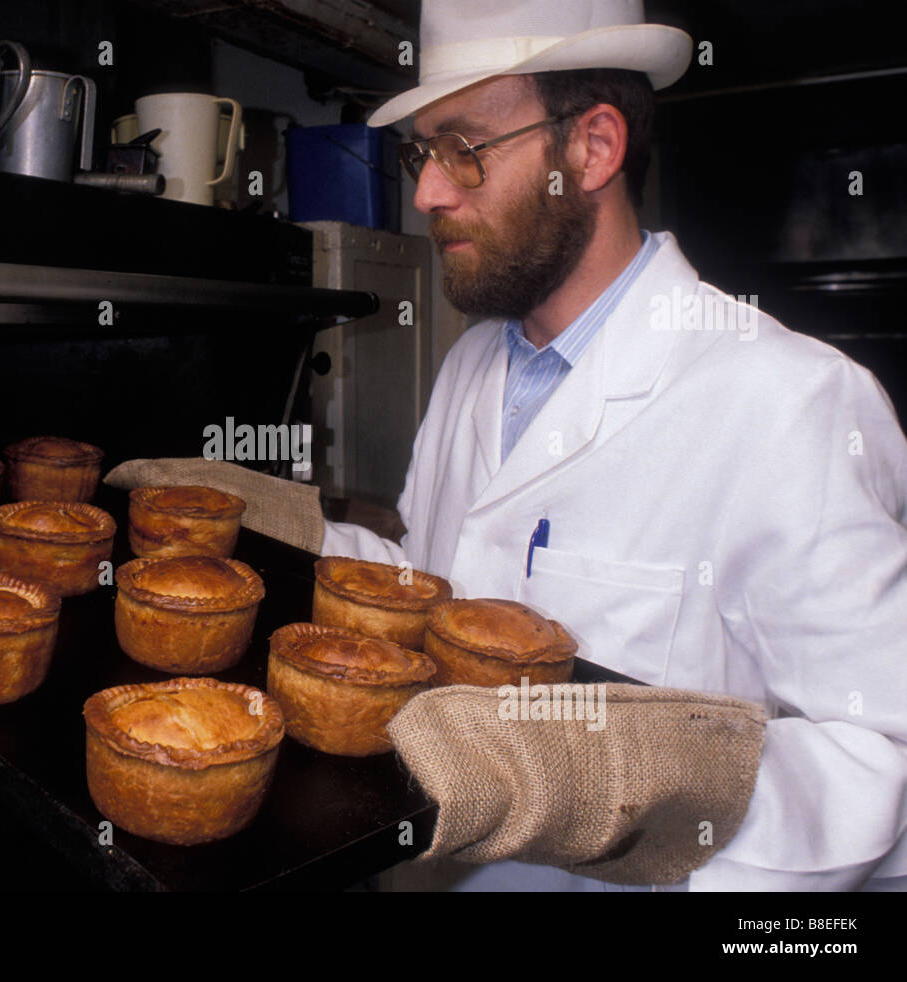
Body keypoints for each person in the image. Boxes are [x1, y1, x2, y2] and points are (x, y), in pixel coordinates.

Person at [105, 0, 907, 891]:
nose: (428, 192)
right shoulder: (477, 361)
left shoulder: (788, 401)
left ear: (594, 148)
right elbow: (446, 585)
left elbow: (886, 753)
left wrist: (651, 777)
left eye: (466, 148)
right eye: (423, 151)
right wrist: (297, 531)